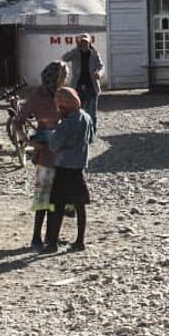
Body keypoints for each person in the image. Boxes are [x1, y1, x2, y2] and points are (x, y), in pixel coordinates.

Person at [15, 61, 68, 251]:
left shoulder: (61, 94)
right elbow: (18, 121)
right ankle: (37, 237)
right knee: (44, 196)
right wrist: (28, 142)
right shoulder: (39, 96)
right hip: (47, 153)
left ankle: (50, 236)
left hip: (61, 153)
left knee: (56, 197)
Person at [44, 87, 95, 252]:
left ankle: (52, 243)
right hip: (79, 168)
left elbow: (53, 145)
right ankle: (80, 241)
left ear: (65, 105)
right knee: (80, 206)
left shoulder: (66, 124)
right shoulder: (86, 117)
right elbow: (91, 138)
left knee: (57, 206)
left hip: (64, 168)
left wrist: (52, 128)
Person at [62, 34, 104, 135]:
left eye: (86, 42)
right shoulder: (75, 53)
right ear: (79, 43)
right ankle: (78, 132)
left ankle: (91, 133)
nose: (84, 44)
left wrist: (99, 74)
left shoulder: (94, 54)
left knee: (92, 113)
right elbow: (64, 58)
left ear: (90, 42)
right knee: (76, 111)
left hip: (91, 87)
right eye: (82, 42)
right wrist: (76, 49)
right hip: (77, 88)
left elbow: (101, 66)